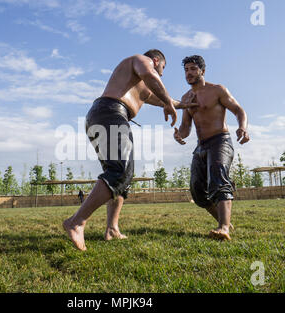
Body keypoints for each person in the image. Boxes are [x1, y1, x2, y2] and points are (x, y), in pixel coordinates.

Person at [63, 49, 197, 251]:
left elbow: (164, 100)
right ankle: (76, 221)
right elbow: (152, 77)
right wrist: (168, 100)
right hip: (110, 113)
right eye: (163, 68)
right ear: (156, 60)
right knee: (120, 171)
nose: (162, 73)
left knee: (122, 177)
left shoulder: (143, 86)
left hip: (108, 116)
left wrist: (187, 104)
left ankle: (112, 228)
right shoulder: (141, 61)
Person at [173, 55, 249, 241]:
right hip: (201, 146)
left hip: (220, 141)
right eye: (186, 70)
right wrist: (179, 135)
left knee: (218, 179)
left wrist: (242, 127)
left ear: (202, 71)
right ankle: (225, 222)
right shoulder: (186, 97)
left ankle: (223, 228)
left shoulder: (217, 90)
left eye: (192, 69)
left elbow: (239, 110)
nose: (188, 73)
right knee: (197, 191)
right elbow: (186, 127)